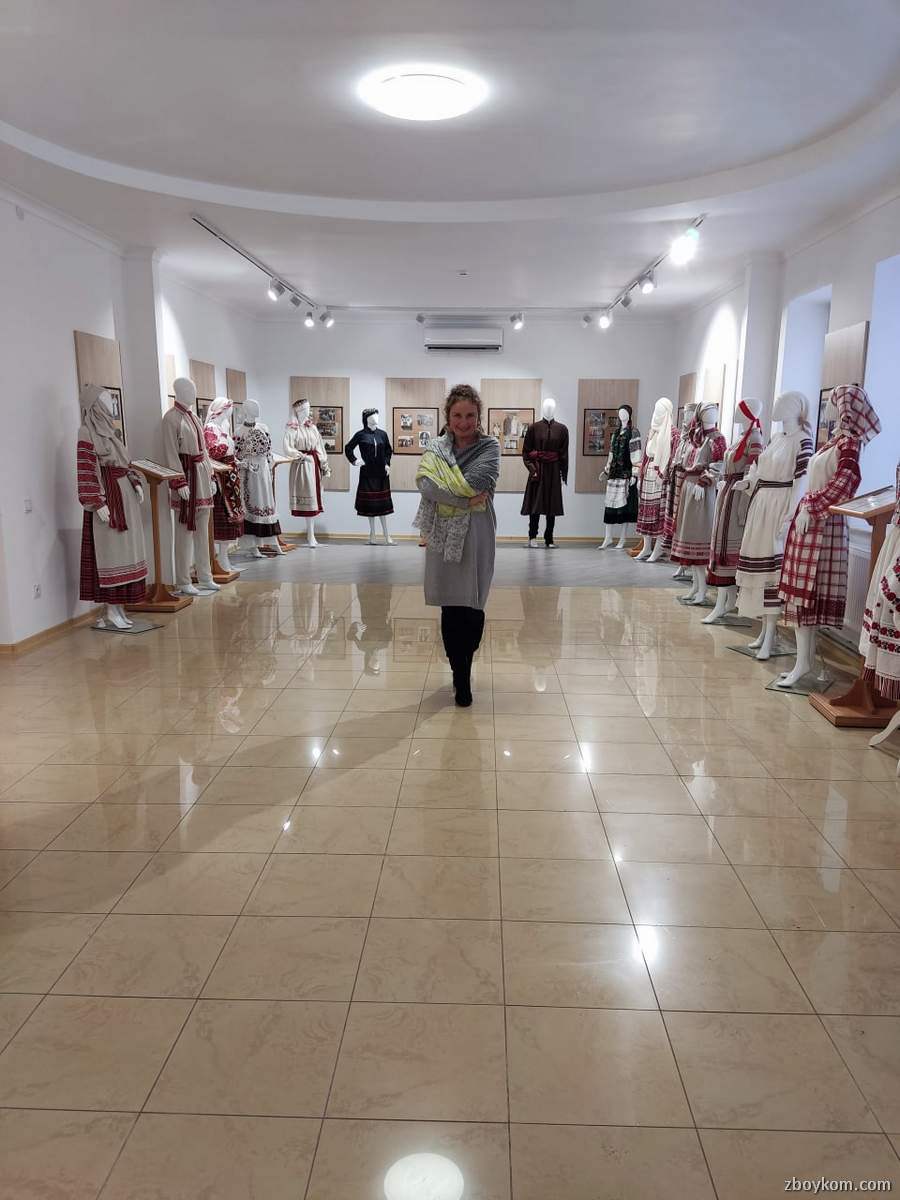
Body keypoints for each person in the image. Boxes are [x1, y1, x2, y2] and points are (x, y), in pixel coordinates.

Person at [414, 385, 500, 706]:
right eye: (457, 415)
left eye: (470, 415)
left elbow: (478, 482)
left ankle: (466, 658)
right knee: (451, 605)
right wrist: (463, 501)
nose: (464, 422)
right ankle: (460, 674)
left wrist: (449, 487)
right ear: (447, 417)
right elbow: (426, 485)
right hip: (443, 531)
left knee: (473, 605)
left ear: (479, 416)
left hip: (477, 532)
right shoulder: (437, 446)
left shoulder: (490, 447)